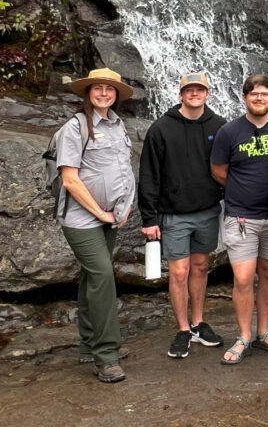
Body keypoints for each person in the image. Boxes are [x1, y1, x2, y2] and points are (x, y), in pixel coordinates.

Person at [210, 74, 268, 364]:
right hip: (241, 217)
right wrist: (242, 190)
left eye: (264, 93)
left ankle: (263, 332)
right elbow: (218, 170)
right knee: (244, 277)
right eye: (253, 94)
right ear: (245, 98)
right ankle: (244, 336)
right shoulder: (229, 131)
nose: (258, 98)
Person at [56, 68, 136, 383]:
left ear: (116, 94)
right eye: (98, 88)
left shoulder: (118, 126)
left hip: (112, 217)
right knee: (103, 276)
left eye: (109, 89)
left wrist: (124, 206)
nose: (104, 93)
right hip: (82, 219)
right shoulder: (74, 127)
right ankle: (106, 355)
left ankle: (89, 343)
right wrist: (100, 213)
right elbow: (70, 179)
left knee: (91, 276)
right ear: (88, 91)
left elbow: (121, 169)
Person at [139, 72, 226, 359]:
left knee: (200, 267)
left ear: (207, 93)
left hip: (208, 211)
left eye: (199, 89)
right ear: (180, 94)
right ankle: (183, 328)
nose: (194, 93)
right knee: (178, 272)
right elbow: (149, 175)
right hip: (173, 214)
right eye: (188, 89)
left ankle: (199, 322)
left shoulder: (219, 125)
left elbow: (230, 168)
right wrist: (149, 218)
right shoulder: (161, 128)